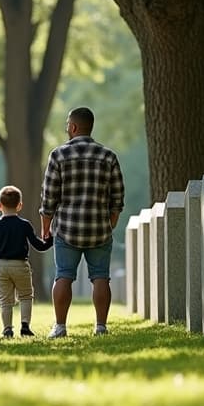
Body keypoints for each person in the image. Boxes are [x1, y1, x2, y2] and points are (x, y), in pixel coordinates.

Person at [39, 107, 124, 338]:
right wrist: (111, 221)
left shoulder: (58, 155)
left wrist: (45, 227)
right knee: (100, 277)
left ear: (74, 127)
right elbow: (117, 196)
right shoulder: (108, 156)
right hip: (99, 229)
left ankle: (60, 327)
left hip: (67, 229)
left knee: (64, 275)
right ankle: (101, 327)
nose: (66, 128)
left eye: (68, 124)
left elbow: (49, 198)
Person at [0, 185, 52, 338]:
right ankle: (25, 326)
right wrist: (51, 238)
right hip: (20, 265)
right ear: (20, 205)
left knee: (5, 300)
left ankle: (7, 328)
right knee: (26, 296)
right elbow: (39, 245)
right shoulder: (24, 224)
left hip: (1, 266)